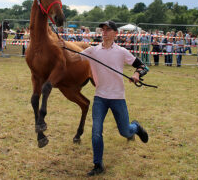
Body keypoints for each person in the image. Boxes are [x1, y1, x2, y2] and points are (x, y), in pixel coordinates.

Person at [59, 20, 149, 177]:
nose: (104, 32)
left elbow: (143, 66)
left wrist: (136, 74)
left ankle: (135, 127)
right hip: (100, 97)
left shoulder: (122, 52)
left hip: (117, 97)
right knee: (96, 131)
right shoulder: (93, 50)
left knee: (124, 131)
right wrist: (63, 47)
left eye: (108, 30)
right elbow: (73, 59)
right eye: (103, 29)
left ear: (115, 33)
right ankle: (98, 164)